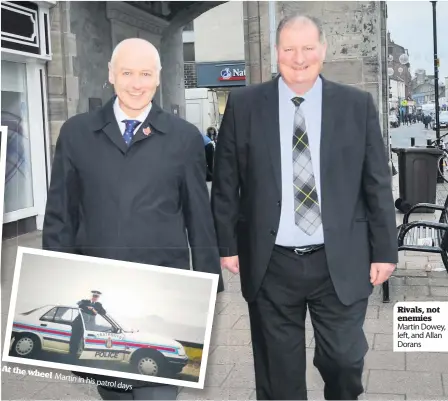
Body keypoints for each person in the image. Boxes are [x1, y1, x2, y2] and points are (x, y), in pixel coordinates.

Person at [211, 14, 397, 401]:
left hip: (340, 259)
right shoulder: (244, 105)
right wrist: (227, 244)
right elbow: (226, 181)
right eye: (289, 49)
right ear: (276, 52)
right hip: (271, 261)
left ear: (323, 50)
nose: (299, 58)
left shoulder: (356, 105)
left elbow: (376, 183)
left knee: (344, 360)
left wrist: (384, 250)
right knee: (279, 378)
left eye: (308, 48)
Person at [42, 37, 224, 400]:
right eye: (127, 72)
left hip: (162, 289)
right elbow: (60, 215)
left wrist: (208, 286)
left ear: (158, 78)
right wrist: (53, 278)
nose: (136, 83)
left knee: (157, 387)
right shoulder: (77, 134)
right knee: (115, 393)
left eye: (145, 73)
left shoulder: (184, 138)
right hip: (100, 288)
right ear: (111, 75)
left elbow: (198, 217)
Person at [70, 290, 106, 356]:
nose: (95, 297)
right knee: (74, 339)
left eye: (96, 296)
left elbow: (103, 312)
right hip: (79, 324)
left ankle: (80, 353)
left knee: (84, 340)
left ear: (98, 298)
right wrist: (88, 308)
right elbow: (79, 304)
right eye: (94, 296)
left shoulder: (98, 305)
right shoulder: (85, 302)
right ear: (91, 296)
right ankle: (72, 354)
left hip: (88, 326)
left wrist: (93, 309)